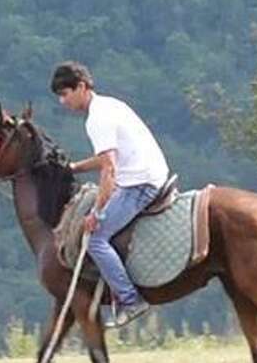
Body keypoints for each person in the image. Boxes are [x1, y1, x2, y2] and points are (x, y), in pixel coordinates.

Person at [49, 60, 171, 328]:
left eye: (65, 93)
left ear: (81, 87)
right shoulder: (110, 105)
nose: (62, 101)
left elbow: (109, 169)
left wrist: (96, 213)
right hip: (149, 173)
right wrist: (76, 167)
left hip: (140, 183)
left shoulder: (97, 119)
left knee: (94, 238)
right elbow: (107, 157)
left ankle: (131, 300)